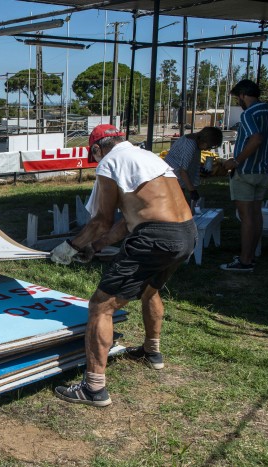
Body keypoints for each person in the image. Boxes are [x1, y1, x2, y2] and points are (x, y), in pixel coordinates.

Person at [50, 124, 197, 407]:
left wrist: (71, 246)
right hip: (186, 233)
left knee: (100, 306)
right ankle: (151, 352)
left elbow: (101, 221)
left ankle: (93, 388)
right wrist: (96, 246)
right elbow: (129, 220)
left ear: (96, 148)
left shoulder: (110, 161)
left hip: (154, 237)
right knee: (151, 290)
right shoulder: (149, 156)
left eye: (93, 155)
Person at [221, 79, 268, 273]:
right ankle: (250, 255)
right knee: (256, 214)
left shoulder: (249, 114)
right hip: (263, 170)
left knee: (246, 218)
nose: (239, 101)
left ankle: (245, 261)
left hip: (246, 171)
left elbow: (256, 138)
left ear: (243, 95)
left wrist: (236, 161)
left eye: (238, 97)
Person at [164, 127, 223, 207]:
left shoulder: (195, 141)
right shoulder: (190, 145)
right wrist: (192, 191)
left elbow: (189, 163)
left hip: (176, 179)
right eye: (210, 146)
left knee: (179, 204)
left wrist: (200, 170)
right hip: (171, 179)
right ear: (205, 141)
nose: (208, 149)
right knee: (175, 205)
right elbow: (183, 171)